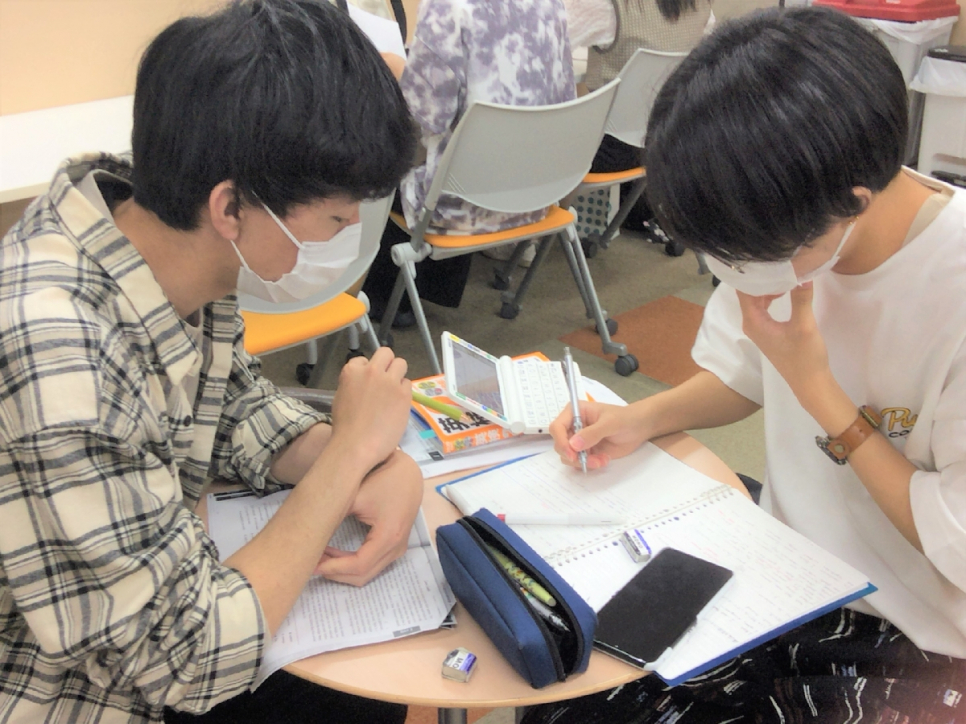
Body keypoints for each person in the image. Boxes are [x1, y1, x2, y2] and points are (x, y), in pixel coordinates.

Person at [525, 7, 966, 722]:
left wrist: (817, 387)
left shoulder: (947, 285)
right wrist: (641, 419)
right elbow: (744, 374)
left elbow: (956, 544)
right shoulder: (780, 221)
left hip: (920, 632)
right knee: (566, 695)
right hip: (789, 570)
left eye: (737, 256)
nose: (729, 271)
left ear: (853, 203)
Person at [0, 1, 421, 722]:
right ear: (230, 208)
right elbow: (184, 659)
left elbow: (229, 408)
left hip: (155, 623)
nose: (351, 232)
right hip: (66, 694)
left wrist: (376, 462)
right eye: (334, 217)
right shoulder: (60, 351)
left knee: (370, 680)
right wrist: (351, 453)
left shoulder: (159, 243)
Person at [361, 0, 577, 326]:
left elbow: (427, 115)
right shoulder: (551, 4)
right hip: (536, 197)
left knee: (377, 164)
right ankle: (426, 290)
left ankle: (385, 301)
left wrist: (396, 68)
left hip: (459, 207)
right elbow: (565, 99)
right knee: (453, 151)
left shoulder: (447, 7)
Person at [565, 0, 713, 235]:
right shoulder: (699, 6)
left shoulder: (609, 7)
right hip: (665, 147)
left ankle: (523, 227)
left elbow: (546, 38)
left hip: (601, 154)